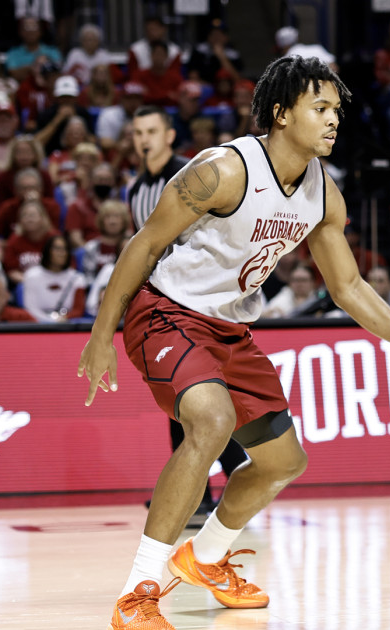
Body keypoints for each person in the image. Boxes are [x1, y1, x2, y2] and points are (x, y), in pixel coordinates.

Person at [77, 55, 390, 630]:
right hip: (166, 312)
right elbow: (143, 245)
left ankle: (204, 559)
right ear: (280, 114)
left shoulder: (323, 192)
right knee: (211, 422)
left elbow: (348, 286)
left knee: (283, 461)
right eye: (319, 108)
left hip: (228, 328)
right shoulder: (223, 170)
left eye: (336, 111)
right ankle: (138, 593)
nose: (333, 121)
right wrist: (101, 335)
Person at [124, 102, 244, 526]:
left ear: (169, 135)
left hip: (203, 302)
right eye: (138, 132)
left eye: (152, 130)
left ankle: (229, 481)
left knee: (196, 402)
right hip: (162, 304)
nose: (144, 139)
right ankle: (202, 490)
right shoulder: (134, 189)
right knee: (180, 402)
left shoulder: (193, 175)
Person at [21, 234, 88, 322]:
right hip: (38, 325)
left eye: (65, 249)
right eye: (57, 249)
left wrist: (64, 318)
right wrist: (49, 321)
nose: (62, 253)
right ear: (47, 250)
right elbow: (30, 308)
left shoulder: (77, 278)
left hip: (66, 324)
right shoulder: (31, 276)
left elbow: (78, 310)